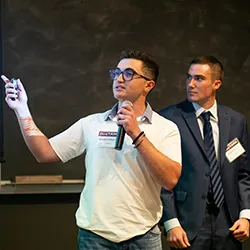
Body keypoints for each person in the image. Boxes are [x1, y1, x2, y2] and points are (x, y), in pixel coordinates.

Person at [2, 50, 182, 250]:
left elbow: (170, 179)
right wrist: (22, 110)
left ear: (148, 85)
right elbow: (44, 152)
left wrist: (136, 134)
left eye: (129, 74)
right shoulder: (92, 123)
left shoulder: (166, 128)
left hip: (143, 236)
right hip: (95, 237)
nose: (119, 79)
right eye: (116, 73)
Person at [159, 55, 250, 250]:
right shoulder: (168, 119)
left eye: (199, 78)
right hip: (187, 222)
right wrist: (171, 222)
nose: (190, 84)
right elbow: (161, 176)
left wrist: (246, 215)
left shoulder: (236, 121)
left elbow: (243, 174)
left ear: (216, 83)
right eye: (188, 77)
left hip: (229, 222)